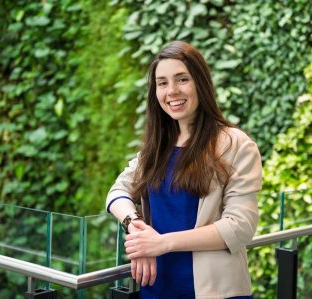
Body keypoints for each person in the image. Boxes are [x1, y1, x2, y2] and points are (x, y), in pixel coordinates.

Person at [106, 41, 262, 299]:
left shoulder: (235, 144)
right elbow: (117, 192)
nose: (172, 91)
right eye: (162, 82)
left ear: (200, 83)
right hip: (156, 290)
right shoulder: (156, 148)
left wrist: (162, 243)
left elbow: (240, 227)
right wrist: (136, 227)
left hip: (215, 292)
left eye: (182, 79)